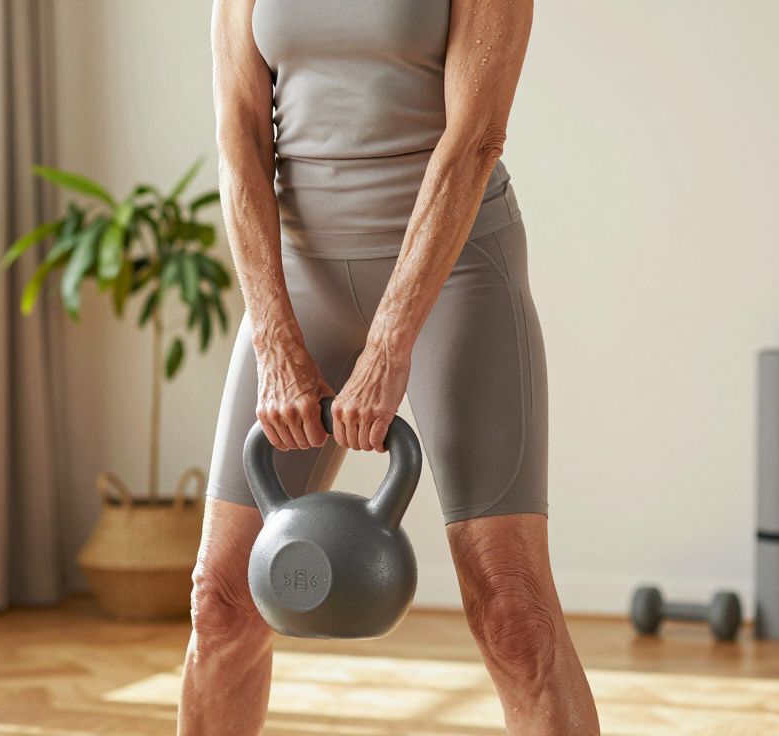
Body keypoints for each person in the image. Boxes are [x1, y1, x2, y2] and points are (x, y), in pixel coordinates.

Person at [179, 0, 600, 733]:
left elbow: (476, 137)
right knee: (222, 600)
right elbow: (240, 136)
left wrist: (389, 343)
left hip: (456, 274)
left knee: (513, 612)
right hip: (299, 275)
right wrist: (276, 342)